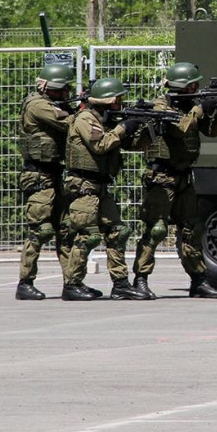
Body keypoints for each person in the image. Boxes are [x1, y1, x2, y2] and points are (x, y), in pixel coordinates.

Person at [132, 62, 217, 299]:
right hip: (162, 177)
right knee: (156, 229)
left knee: (193, 229)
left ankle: (198, 280)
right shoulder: (160, 106)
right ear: (182, 87)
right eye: (193, 85)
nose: (197, 88)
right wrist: (201, 107)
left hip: (184, 177)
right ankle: (140, 279)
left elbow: (211, 131)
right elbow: (182, 127)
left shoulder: (191, 106)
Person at [61, 77, 149, 301]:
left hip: (99, 185)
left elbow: (128, 144)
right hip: (83, 185)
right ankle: (72, 285)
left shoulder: (104, 120)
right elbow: (100, 145)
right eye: (118, 100)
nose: (121, 103)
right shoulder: (85, 119)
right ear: (108, 101)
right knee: (88, 236)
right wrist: (123, 127)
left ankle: (120, 284)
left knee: (118, 232)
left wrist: (140, 126)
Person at [15, 63, 76, 300]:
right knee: (40, 230)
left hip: (54, 173)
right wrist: (86, 111)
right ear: (48, 88)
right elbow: (68, 122)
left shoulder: (52, 103)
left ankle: (72, 282)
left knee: (65, 229)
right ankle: (25, 282)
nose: (65, 94)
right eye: (62, 90)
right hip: (38, 175)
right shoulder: (38, 105)